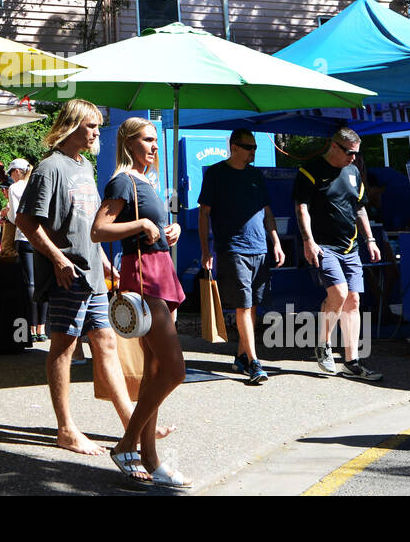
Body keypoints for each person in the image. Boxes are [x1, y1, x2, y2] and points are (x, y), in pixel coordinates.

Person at [15, 99, 127, 458]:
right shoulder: (49, 168)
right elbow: (26, 222)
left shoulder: (84, 166)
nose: (97, 132)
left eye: (97, 126)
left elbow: (89, 226)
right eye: (92, 126)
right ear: (74, 125)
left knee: (106, 343)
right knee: (64, 347)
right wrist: (59, 258)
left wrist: (106, 262)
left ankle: (132, 422)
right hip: (69, 275)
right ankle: (65, 429)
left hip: (93, 273)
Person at [92, 118, 190, 487]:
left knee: (154, 372)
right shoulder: (123, 180)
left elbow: (151, 229)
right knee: (175, 370)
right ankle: (127, 444)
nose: (155, 146)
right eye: (148, 140)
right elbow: (98, 230)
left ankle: (150, 457)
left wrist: (169, 231)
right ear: (129, 142)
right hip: (144, 274)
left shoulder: (148, 180)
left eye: (156, 140)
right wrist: (140, 227)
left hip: (160, 269)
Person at [293, 127, 383, 381]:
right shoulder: (310, 170)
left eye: (357, 153)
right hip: (323, 245)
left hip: (350, 246)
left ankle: (352, 361)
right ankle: (323, 344)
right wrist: (308, 240)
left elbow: (360, 209)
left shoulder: (353, 172)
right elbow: (301, 207)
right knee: (339, 293)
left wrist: (371, 240)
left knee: (353, 300)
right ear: (334, 146)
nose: (353, 158)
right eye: (350, 153)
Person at [198, 128, 284, 383]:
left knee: (253, 305)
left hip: (260, 247)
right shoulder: (216, 173)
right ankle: (255, 362)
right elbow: (204, 214)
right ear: (234, 147)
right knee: (243, 305)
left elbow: (267, 211)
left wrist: (276, 242)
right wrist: (205, 250)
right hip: (233, 248)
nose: (253, 152)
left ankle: (241, 357)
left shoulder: (256, 175)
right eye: (249, 147)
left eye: (255, 147)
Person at [2, 157, 46, 343]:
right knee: (42, 282)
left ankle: (30, 327)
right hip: (42, 237)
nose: (11, 177)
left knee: (29, 283)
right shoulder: (38, 184)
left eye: (12, 172)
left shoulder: (15, 188)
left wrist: (5, 213)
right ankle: (42, 328)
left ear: (18, 171)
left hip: (23, 236)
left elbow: (14, 217)